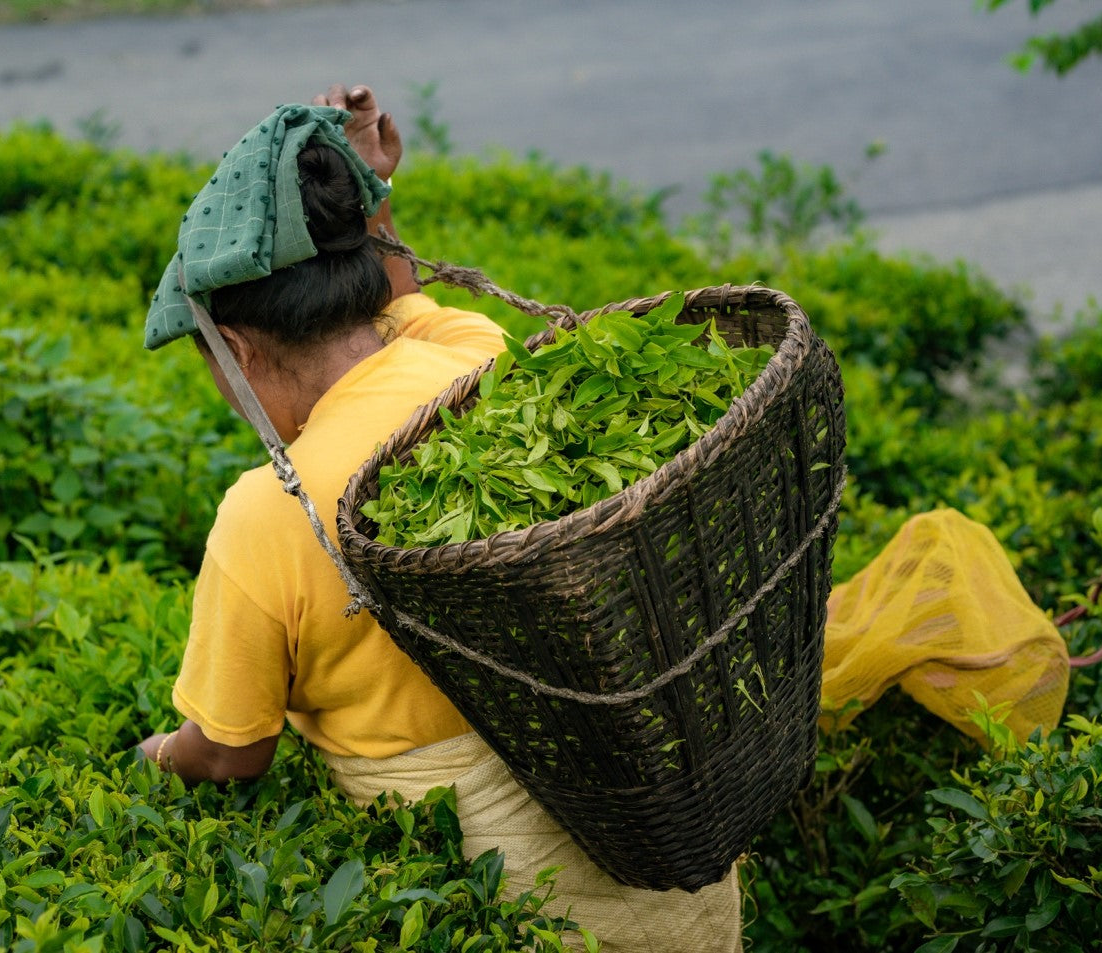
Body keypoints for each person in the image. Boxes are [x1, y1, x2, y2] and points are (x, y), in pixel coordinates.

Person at [136, 84, 746, 950]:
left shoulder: (270, 512)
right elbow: (397, 294)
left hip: (489, 896)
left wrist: (157, 752)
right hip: (656, 851)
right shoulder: (474, 355)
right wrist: (369, 192)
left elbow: (234, 750)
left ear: (235, 349)